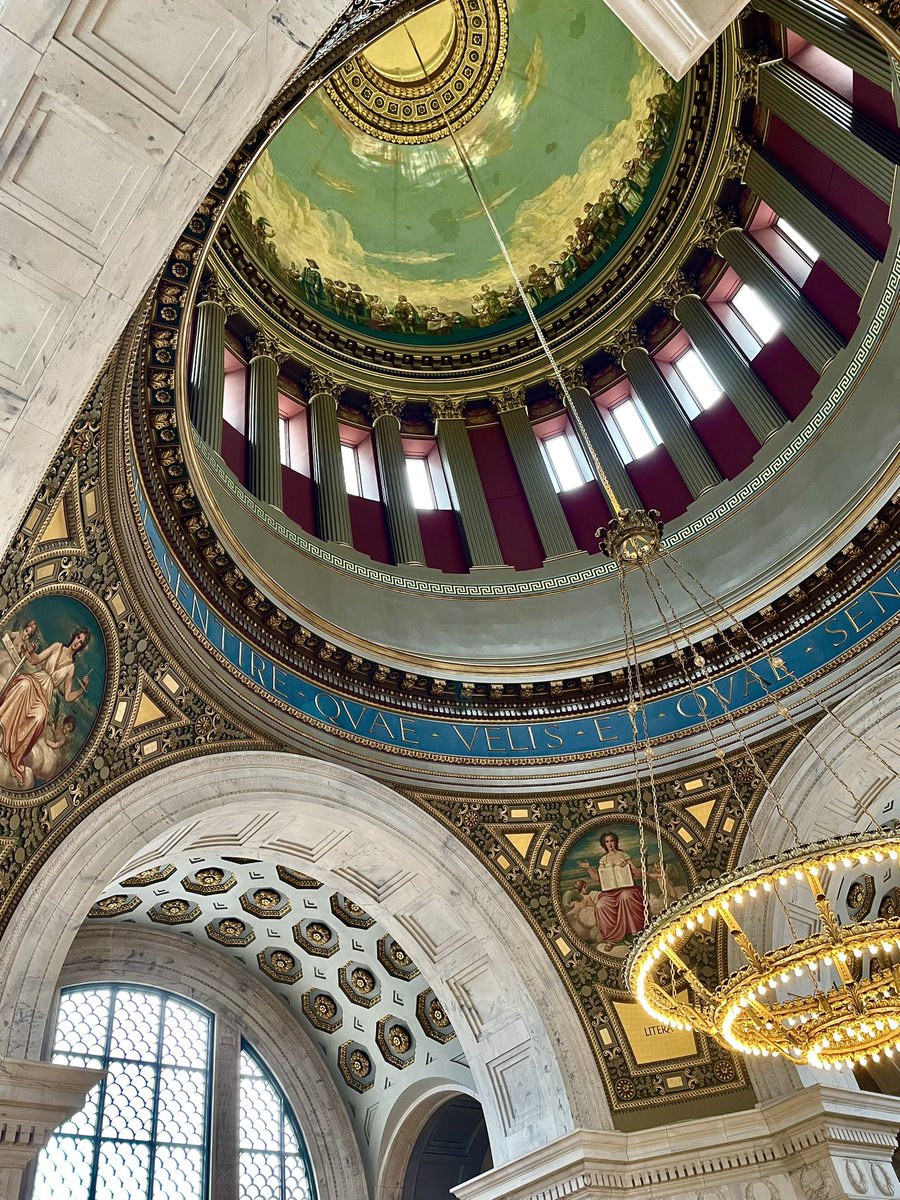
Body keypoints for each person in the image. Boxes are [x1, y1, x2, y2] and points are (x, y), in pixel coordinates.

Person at [0, 627, 91, 786]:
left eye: (81, 642)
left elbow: (68, 697)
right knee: (23, 685)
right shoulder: (57, 647)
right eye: (78, 638)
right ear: (74, 636)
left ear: (82, 647)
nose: (78, 642)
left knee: (39, 716)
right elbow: (36, 660)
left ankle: (11, 750)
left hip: (46, 694)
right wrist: (31, 652)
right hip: (36, 679)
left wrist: (81, 690)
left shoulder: (71, 668)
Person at [578, 831, 645, 950]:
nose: (610, 844)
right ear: (604, 844)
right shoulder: (603, 860)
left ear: (615, 842)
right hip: (610, 892)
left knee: (625, 897)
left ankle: (634, 933)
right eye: (607, 842)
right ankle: (611, 939)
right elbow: (598, 879)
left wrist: (628, 867)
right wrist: (588, 868)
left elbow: (638, 874)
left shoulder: (624, 856)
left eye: (611, 841)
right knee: (600, 905)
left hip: (627, 888)